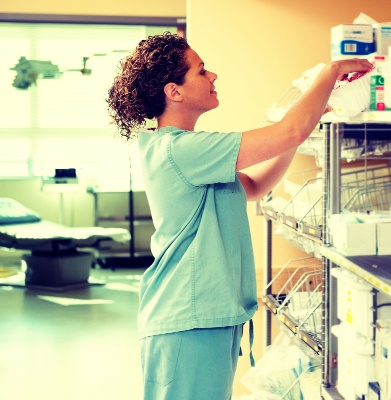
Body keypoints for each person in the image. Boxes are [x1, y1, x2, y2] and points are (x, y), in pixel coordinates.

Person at [106, 32, 373, 400]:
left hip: (205, 315)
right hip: (189, 316)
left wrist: (302, 128)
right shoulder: (179, 149)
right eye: (201, 71)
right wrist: (329, 75)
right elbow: (288, 130)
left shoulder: (185, 150)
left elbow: (254, 186)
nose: (212, 76)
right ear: (175, 91)